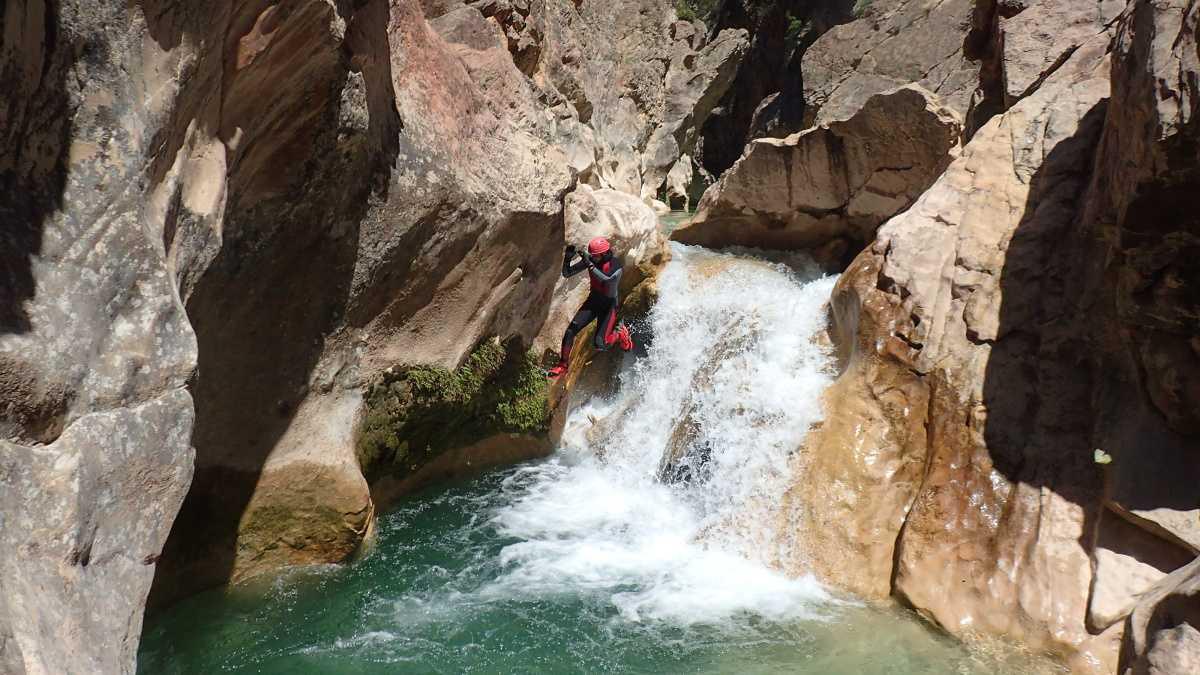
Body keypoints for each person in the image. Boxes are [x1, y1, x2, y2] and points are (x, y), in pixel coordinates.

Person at [546, 236, 634, 378]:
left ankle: (620, 334)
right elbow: (567, 273)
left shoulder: (615, 264)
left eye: (596, 256)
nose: (594, 258)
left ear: (605, 254)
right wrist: (568, 258)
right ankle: (562, 366)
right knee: (570, 331)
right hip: (593, 301)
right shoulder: (592, 260)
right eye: (592, 256)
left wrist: (589, 263)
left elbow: (607, 279)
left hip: (609, 305)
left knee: (600, 344)